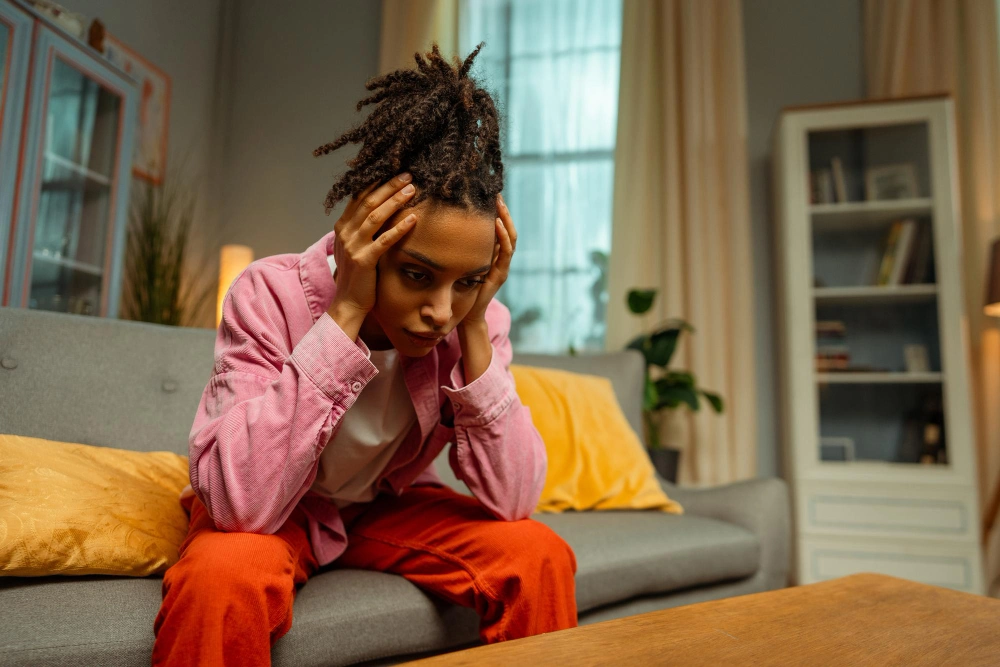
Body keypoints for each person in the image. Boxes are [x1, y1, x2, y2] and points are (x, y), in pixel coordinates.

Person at [151, 43, 578, 666]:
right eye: (416, 275)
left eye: (466, 282)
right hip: (278, 510)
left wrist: (479, 325)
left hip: (384, 509)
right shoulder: (268, 294)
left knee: (538, 554)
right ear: (370, 242)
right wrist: (346, 310)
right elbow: (238, 502)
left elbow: (513, 500)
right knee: (220, 577)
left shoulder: (472, 321)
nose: (440, 310)